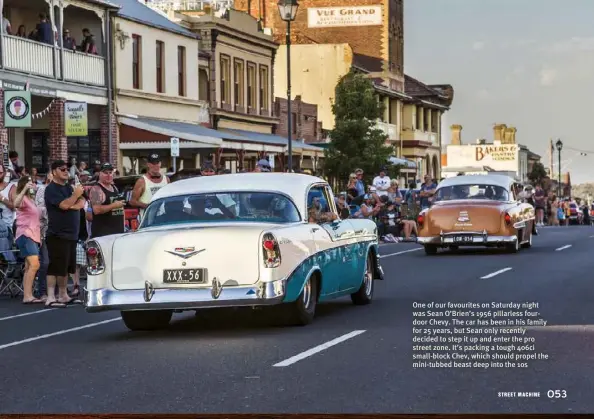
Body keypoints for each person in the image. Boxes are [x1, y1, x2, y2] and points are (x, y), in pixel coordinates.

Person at [44, 160, 85, 308]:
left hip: (71, 233)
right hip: (57, 233)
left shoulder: (68, 187)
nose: (66, 171)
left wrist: (73, 202)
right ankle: (50, 296)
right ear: (54, 171)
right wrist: (74, 197)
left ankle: (63, 294)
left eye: (67, 169)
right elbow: (63, 205)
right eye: (62, 169)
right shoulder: (51, 189)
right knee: (56, 265)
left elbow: (81, 203)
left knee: (67, 266)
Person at [13, 176, 42, 304]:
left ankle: (27, 295)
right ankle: (28, 295)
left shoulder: (32, 200)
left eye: (34, 183)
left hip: (34, 234)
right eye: (31, 183)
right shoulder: (23, 198)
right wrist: (24, 188)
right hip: (25, 234)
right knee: (35, 264)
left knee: (29, 265)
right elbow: (15, 204)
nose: (34, 185)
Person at [88, 163, 126, 238]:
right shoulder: (96, 189)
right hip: (103, 235)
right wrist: (114, 205)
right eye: (105, 173)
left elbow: (120, 209)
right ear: (99, 174)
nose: (109, 175)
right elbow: (96, 210)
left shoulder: (114, 187)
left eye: (110, 172)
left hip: (118, 233)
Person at [129, 153, 169, 218]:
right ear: (148, 164)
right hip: (147, 219)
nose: (155, 166)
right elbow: (132, 201)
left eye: (157, 163)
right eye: (153, 163)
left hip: (163, 217)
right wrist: (149, 206)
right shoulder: (142, 181)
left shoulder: (166, 179)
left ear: (160, 164)